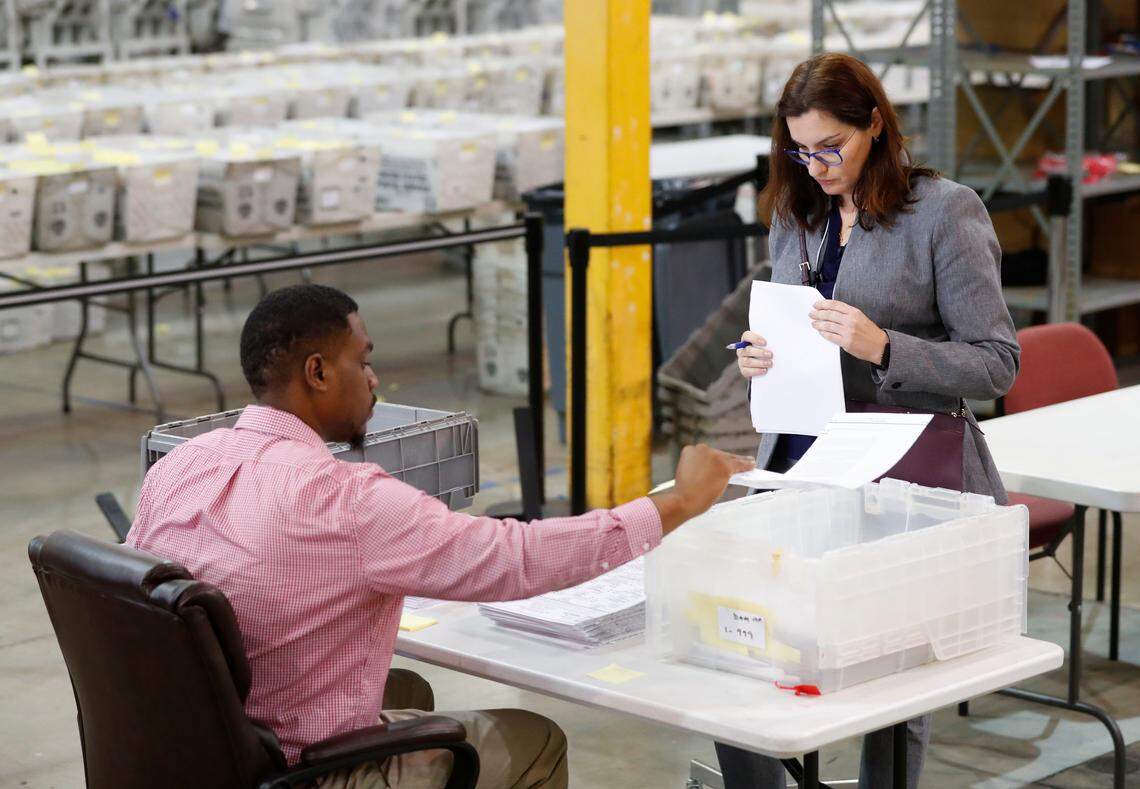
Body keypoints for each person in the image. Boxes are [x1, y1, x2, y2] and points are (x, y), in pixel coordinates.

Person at [127, 282, 753, 789]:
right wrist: (677, 501)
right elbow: (518, 560)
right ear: (317, 371)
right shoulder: (346, 501)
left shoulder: (183, 464)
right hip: (297, 770)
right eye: (363, 361)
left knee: (407, 690)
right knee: (531, 739)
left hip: (195, 749)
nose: (374, 380)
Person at [721, 53, 1020, 788]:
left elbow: (996, 363)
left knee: (888, 682)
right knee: (740, 657)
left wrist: (884, 345)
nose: (817, 165)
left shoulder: (945, 213)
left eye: (833, 147)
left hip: (899, 475)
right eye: (801, 149)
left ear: (875, 125)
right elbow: (789, 332)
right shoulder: (794, 219)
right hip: (797, 467)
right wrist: (757, 356)